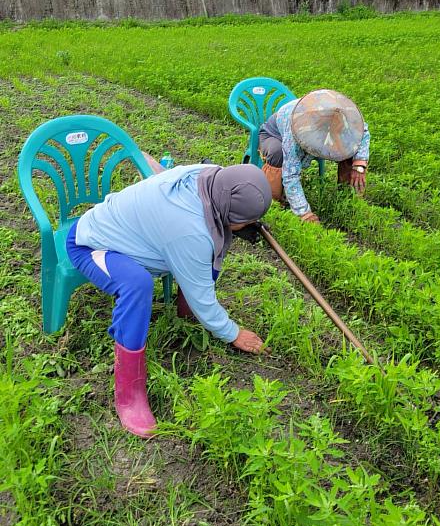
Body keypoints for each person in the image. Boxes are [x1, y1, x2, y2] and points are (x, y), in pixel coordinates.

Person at [66, 163, 272, 438]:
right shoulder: (189, 232)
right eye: (243, 221)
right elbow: (203, 295)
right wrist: (233, 334)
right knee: (137, 285)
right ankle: (129, 392)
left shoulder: (211, 176)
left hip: (136, 233)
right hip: (92, 243)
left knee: (209, 244)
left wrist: (246, 220)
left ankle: (185, 313)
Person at [259, 89, 370, 223]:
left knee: (349, 150)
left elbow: (362, 131)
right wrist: (304, 213)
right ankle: (274, 203)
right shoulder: (295, 130)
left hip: (318, 130)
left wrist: (359, 165)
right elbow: (291, 175)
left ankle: (346, 197)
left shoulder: (343, 113)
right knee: (278, 154)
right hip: (274, 136)